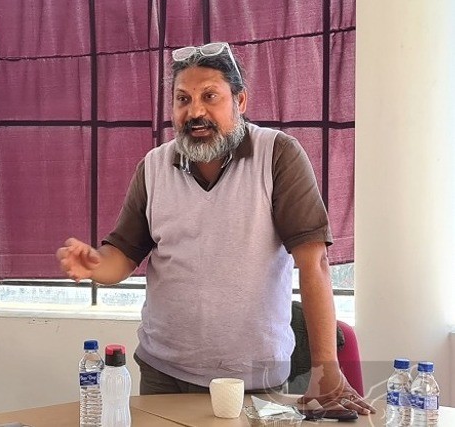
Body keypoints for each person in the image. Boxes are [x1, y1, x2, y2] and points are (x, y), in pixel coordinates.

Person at [56, 42, 374, 415]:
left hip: (253, 377)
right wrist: (95, 265)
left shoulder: (278, 155)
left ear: (240, 102)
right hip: (164, 371)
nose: (195, 111)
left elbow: (314, 262)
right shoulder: (154, 167)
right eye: (182, 99)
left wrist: (325, 367)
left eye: (210, 96)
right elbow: (122, 256)